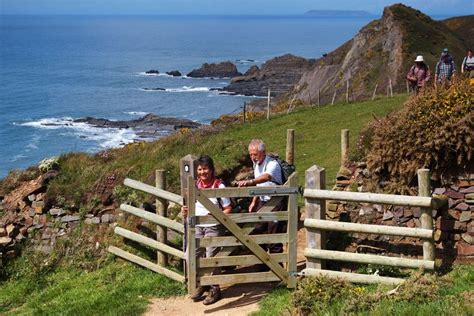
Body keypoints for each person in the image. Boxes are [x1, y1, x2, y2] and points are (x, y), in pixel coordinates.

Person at [181, 155, 232, 305]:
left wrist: (215, 216)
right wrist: (185, 211)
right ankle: (202, 283)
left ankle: (215, 289)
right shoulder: (195, 185)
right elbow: (190, 205)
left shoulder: (218, 186)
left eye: (205, 169)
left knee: (211, 258)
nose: (202, 172)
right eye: (200, 169)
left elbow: (228, 208)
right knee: (191, 255)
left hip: (213, 226)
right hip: (196, 226)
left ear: (211, 170)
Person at [237, 139, 284, 253]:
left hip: (275, 202)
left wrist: (249, 182)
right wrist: (254, 201)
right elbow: (260, 184)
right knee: (255, 230)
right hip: (262, 201)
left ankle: (277, 268)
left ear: (263, 152)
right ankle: (263, 263)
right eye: (251, 155)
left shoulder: (272, 164)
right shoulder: (256, 164)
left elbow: (266, 177)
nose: (253, 157)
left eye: (255, 154)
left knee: (273, 235)